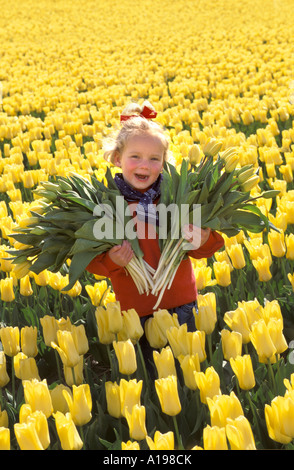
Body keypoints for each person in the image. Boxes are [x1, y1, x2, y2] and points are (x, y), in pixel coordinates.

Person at [86, 101, 224, 353]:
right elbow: (92, 259)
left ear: (164, 163)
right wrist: (113, 260)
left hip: (182, 304)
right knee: (152, 376)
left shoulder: (176, 198)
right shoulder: (107, 205)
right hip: (137, 312)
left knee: (188, 369)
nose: (144, 165)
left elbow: (205, 247)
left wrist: (202, 239)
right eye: (135, 156)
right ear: (117, 158)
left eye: (154, 159)